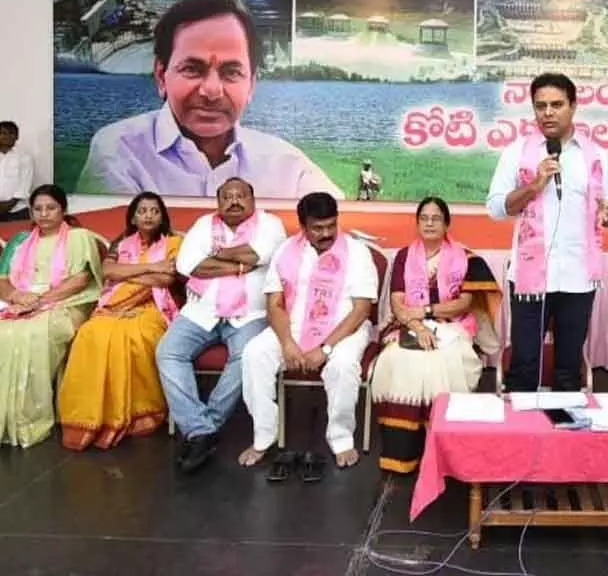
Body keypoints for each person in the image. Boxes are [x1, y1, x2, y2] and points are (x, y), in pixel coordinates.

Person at [79, 0, 342, 200]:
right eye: (193, 69)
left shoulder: (287, 166)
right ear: (161, 76)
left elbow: (343, 232)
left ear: (251, 85)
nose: (212, 90)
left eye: (231, 72)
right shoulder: (119, 152)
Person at [485, 72, 608, 392]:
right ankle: (522, 437)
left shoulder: (597, 156)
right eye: (540, 105)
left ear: (573, 107)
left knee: (567, 368)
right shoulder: (516, 152)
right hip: (530, 279)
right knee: (525, 366)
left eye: (556, 104)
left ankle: (565, 437)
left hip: (578, 276)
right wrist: (534, 185)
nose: (547, 112)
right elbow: (495, 208)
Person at [240, 192, 377, 473]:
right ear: (303, 226)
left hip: (345, 329)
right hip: (293, 327)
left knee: (342, 365)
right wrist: (287, 343)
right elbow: (274, 304)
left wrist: (325, 349)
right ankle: (263, 436)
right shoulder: (286, 251)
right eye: (317, 228)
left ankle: (341, 439)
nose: (326, 233)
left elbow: (361, 309)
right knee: (254, 354)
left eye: (331, 225)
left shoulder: (357, 252)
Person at [156, 177, 286, 472]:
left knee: (246, 357)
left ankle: (204, 427)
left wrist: (213, 256)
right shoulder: (204, 225)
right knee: (168, 352)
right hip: (201, 310)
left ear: (253, 200)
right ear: (218, 202)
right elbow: (187, 265)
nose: (234, 201)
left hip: (250, 314)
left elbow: (259, 254)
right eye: (227, 196)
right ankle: (201, 429)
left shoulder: (271, 225)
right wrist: (241, 265)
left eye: (241, 196)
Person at [371, 197, 501, 474]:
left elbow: (465, 303)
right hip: (407, 326)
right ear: (417, 223)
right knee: (401, 359)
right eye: (424, 218)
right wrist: (417, 328)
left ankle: (445, 448)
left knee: (443, 359)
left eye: (436, 218)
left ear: (446, 224)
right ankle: (404, 452)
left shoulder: (466, 258)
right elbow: (397, 304)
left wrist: (427, 312)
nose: (429, 223)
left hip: (453, 324)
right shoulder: (404, 257)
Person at [58, 192, 182, 451]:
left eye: (154, 211)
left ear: (162, 216)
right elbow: (108, 271)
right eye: (142, 211)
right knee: (91, 334)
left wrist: (129, 276)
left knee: (135, 337)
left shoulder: (173, 243)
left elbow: (166, 279)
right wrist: (151, 267)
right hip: (113, 306)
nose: (148, 215)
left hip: (154, 306)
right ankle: (93, 417)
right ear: (133, 217)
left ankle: (139, 415)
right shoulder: (121, 244)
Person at [0, 184, 101, 447]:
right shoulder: (19, 242)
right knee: (5, 332)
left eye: (51, 208)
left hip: (66, 302)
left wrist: (39, 301)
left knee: (33, 333)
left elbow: (80, 280)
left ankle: (26, 417)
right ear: (31, 212)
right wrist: (18, 297)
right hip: (20, 301)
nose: (44, 214)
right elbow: (2, 280)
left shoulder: (79, 237)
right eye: (38, 209)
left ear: (63, 210)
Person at [0, 121, 34, 222]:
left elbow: (25, 184)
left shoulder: (24, 158)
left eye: (12, 133)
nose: (8, 136)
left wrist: (10, 204)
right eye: (3, 133)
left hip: (17, 210)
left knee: (19, 237)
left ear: (17, 136)